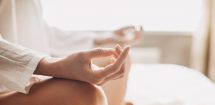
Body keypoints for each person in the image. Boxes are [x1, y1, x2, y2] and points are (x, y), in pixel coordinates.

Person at [0, 0, 143, 105]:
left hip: (29, 77)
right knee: (86, 95)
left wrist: (104, 38)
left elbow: (40, 32)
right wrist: (57, 66)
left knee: (114, 58)